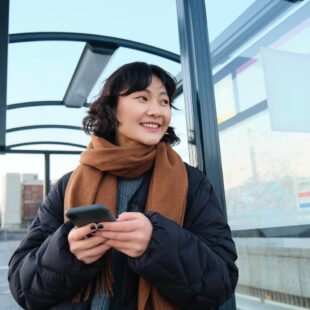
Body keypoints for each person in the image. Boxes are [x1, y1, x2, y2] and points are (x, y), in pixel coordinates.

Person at [8, 62, 238, 310]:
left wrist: (157, 243)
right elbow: (23, 287)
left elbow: (221, 281)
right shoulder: (68, 184)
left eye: (164, 102)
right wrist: (67, 252)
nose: (157, 111)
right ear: (112, 107)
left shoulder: (192, 183)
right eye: (142, 98)